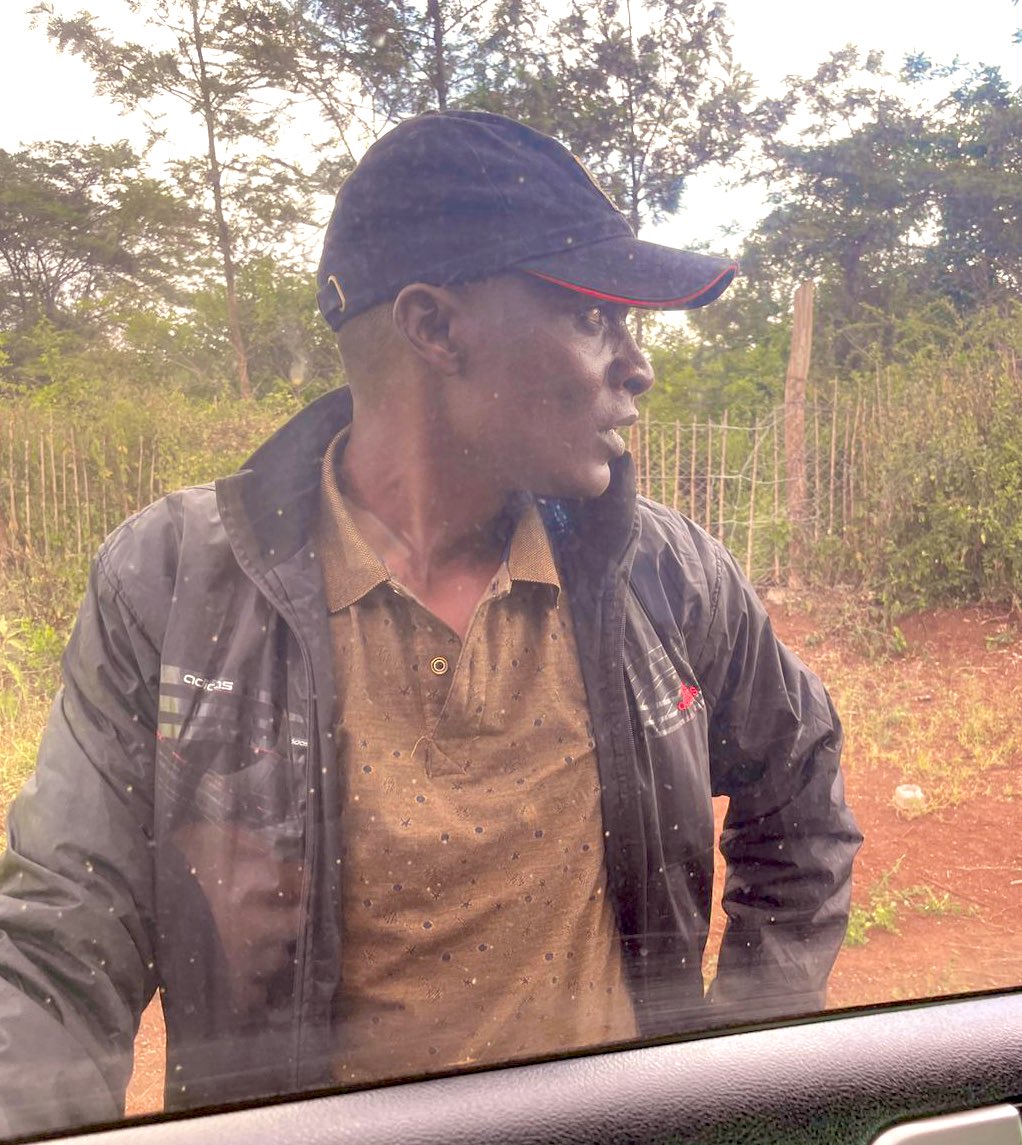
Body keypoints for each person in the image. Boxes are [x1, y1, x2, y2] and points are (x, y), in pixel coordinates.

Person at [0, 110, 862, 1136]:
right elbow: (62, 932)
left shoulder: (663, 572)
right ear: (435, 328)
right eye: (594, 317)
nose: (637, 366)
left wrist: (734, 1069)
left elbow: (800, 784)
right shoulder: (173, 581)